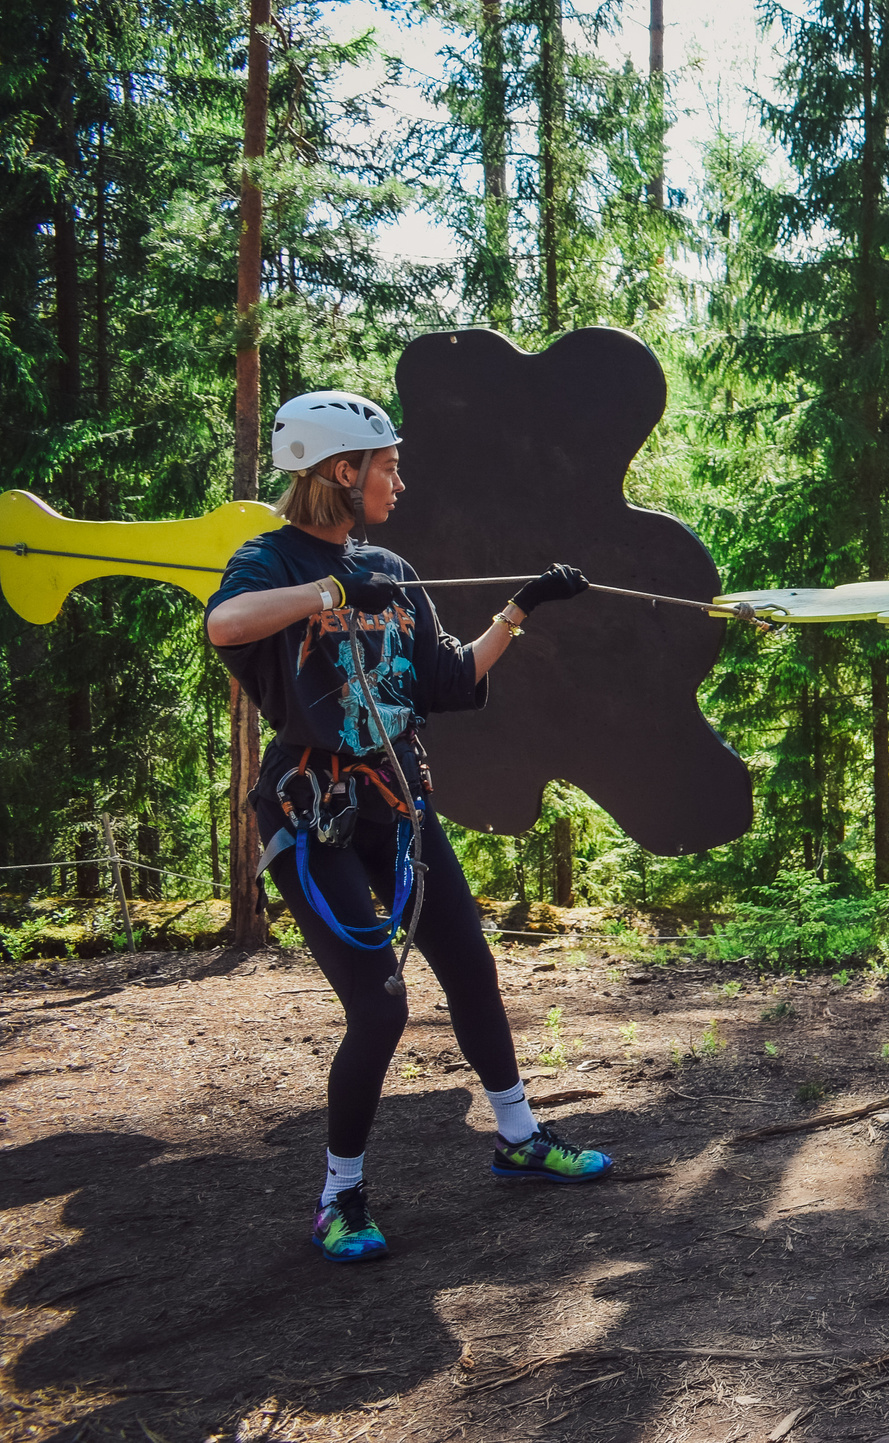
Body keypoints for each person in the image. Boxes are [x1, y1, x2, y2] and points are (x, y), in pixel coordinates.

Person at [206, 390, 614, 1264]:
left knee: (471, 966)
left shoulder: (389, 565)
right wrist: (325, 587)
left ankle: (519, 1139)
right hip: (315, 817)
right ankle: (339, 1195)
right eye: (387, 466)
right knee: (381, 1008)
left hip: (397, 809)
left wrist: (518, 609)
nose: (401, 479)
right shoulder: (268, 560)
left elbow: (449, 680)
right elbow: (224, 625)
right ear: (342, 473)